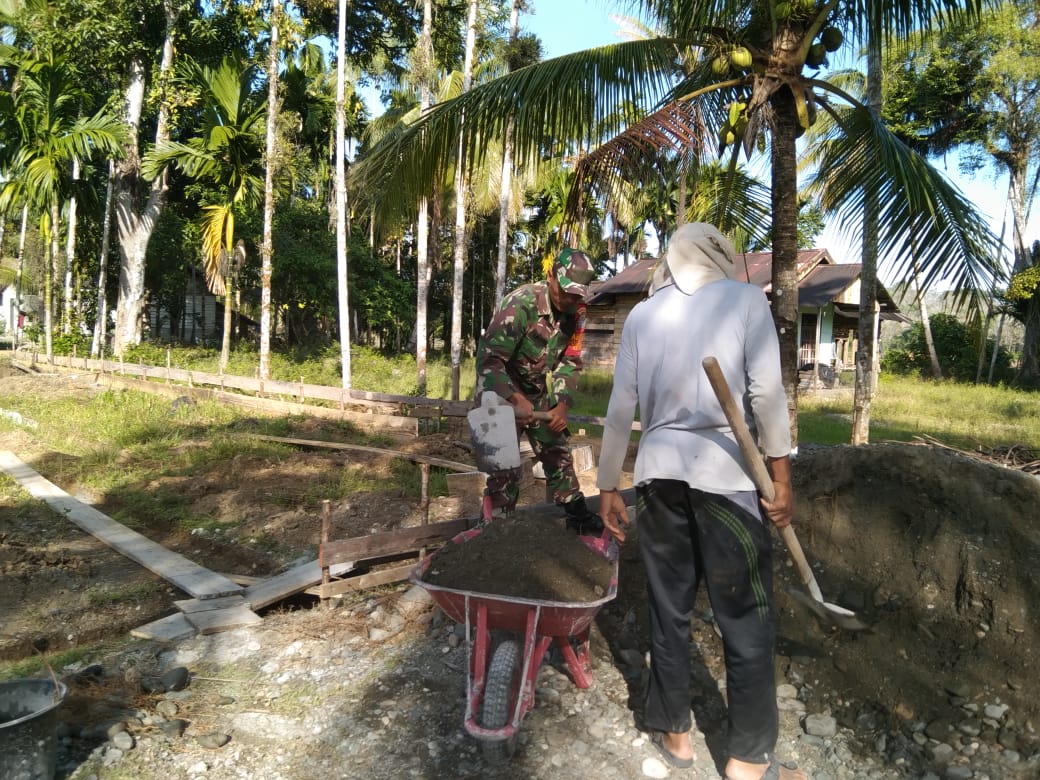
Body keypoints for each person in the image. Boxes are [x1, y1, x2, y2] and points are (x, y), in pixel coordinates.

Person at [595, 223, 807, 780]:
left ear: (672, 258)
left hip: (657, 477)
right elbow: (767, 395)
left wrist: (609, 486)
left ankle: (676, 735)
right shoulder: (745, 301)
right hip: (726, 477)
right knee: (746, 617)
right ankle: (748, 760)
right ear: (722, 258)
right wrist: (782, 480)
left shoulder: (643, 315)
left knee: (669, 609)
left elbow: (621, 407)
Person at [474, 248, 604, 534]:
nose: (570, 300)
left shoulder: (578, 312)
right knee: (504, 471)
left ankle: (577, 517)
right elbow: (488, 362)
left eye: (577, 295)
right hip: (498, 392)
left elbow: (569, 361)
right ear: (550, 276)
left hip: (533, 390)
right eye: (566, 292)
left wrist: (562, 405)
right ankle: (495, 531)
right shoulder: (520, 304)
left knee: (558, 452)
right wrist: (515, 399)